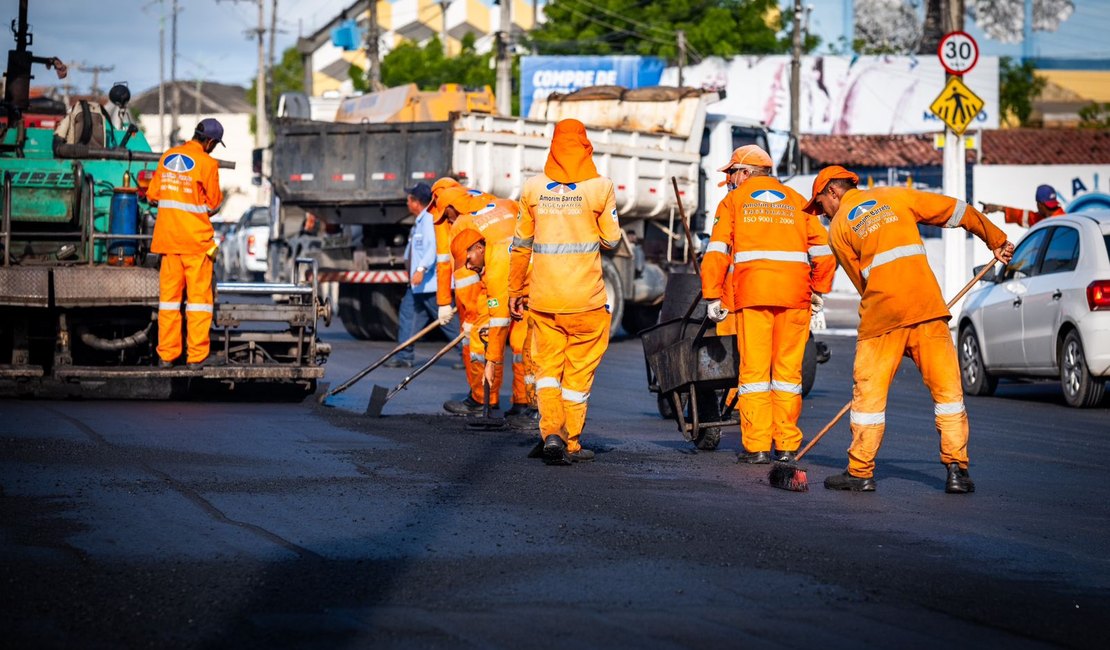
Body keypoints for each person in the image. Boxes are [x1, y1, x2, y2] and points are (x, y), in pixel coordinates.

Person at [805, 165, 1015, 493]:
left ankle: (860, 471)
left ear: (833, 192)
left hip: (882, 317)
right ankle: (957, 471)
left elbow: (862, 285)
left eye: (820, 206)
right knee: (948, 394)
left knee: (869, 397)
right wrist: (997, 241)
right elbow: (958, 210)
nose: (821, 214)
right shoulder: (896, 196)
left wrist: (888, 317)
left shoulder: (839, 230)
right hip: (927, 308)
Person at [701, 145, 836, 464]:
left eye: (732, 173)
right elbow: (824, 252)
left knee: (755, 374)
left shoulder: (733, 202)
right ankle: (787, 445)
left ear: (746, 173)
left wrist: (712, 296)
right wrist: (818, 290)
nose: (730, 181)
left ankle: (758, 447)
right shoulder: (797, 202)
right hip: (795, 298)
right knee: (788, 375)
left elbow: (718, 251)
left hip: (754, 296)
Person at [509, 119, 622, 466]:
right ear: (585, 146)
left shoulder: (532, 188)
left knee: (546, 372)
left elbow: (519, 247)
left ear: (553, 145)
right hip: (586, 301)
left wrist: (515, 289)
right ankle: (570, 440)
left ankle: (551, 434)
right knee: (576, 376)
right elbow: (612, 240)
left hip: (544, 301)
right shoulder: (600, 188)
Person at [438, 185, 532, 416]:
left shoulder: (464, 226)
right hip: (528, 290)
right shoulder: (505, 203)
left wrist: (470, 318)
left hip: (510, 286)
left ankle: (483, 399)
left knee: (483, 339)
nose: (446, 221)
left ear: (453, 207)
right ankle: (524, 402)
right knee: (522, 346)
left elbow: (497, 320)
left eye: (445, 215)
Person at [146, 118, 225, 369]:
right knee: (199, 303)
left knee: (169, 302)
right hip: (196, 243)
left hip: (169, 241)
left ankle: (167, 356)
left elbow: (153, 195)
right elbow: (212, 204)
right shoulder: (208, 163)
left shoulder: (168, 156)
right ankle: (195, 358)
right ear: (210, 142)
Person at [385, 182, 460, 368]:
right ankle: (404, 356)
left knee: (448, 322)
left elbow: (433, 247)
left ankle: (470, 354)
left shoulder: (428, 220)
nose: (407, 203)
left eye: (409, 199)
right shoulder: (420, 221)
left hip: (432, 284)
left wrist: (420, 269)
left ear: (416, 202)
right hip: (420, 285)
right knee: (407, 316)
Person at [980, 184, 1065, 228]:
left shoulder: (1060, 222)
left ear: (1040, 204)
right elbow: (1020, 215)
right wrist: (998, 208)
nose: (1050, 209)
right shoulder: (1041, 218)